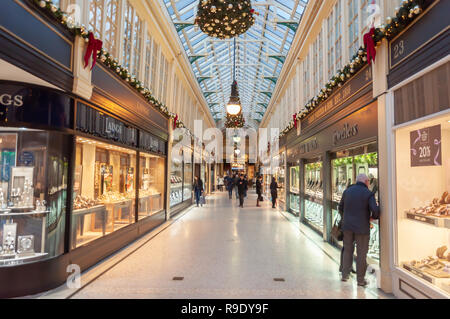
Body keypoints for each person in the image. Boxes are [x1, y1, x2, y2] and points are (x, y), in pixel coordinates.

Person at [339, 174, 380, 287]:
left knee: (348, 250)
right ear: (366, 181)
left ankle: (344, 275)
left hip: (347, 227)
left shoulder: (347, 191)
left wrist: (346, 218)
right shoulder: (368, 193)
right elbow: (375, 211)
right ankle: (360, 280)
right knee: (361, 254)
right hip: (362, 229)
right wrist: (371, 217)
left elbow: (340, 207)